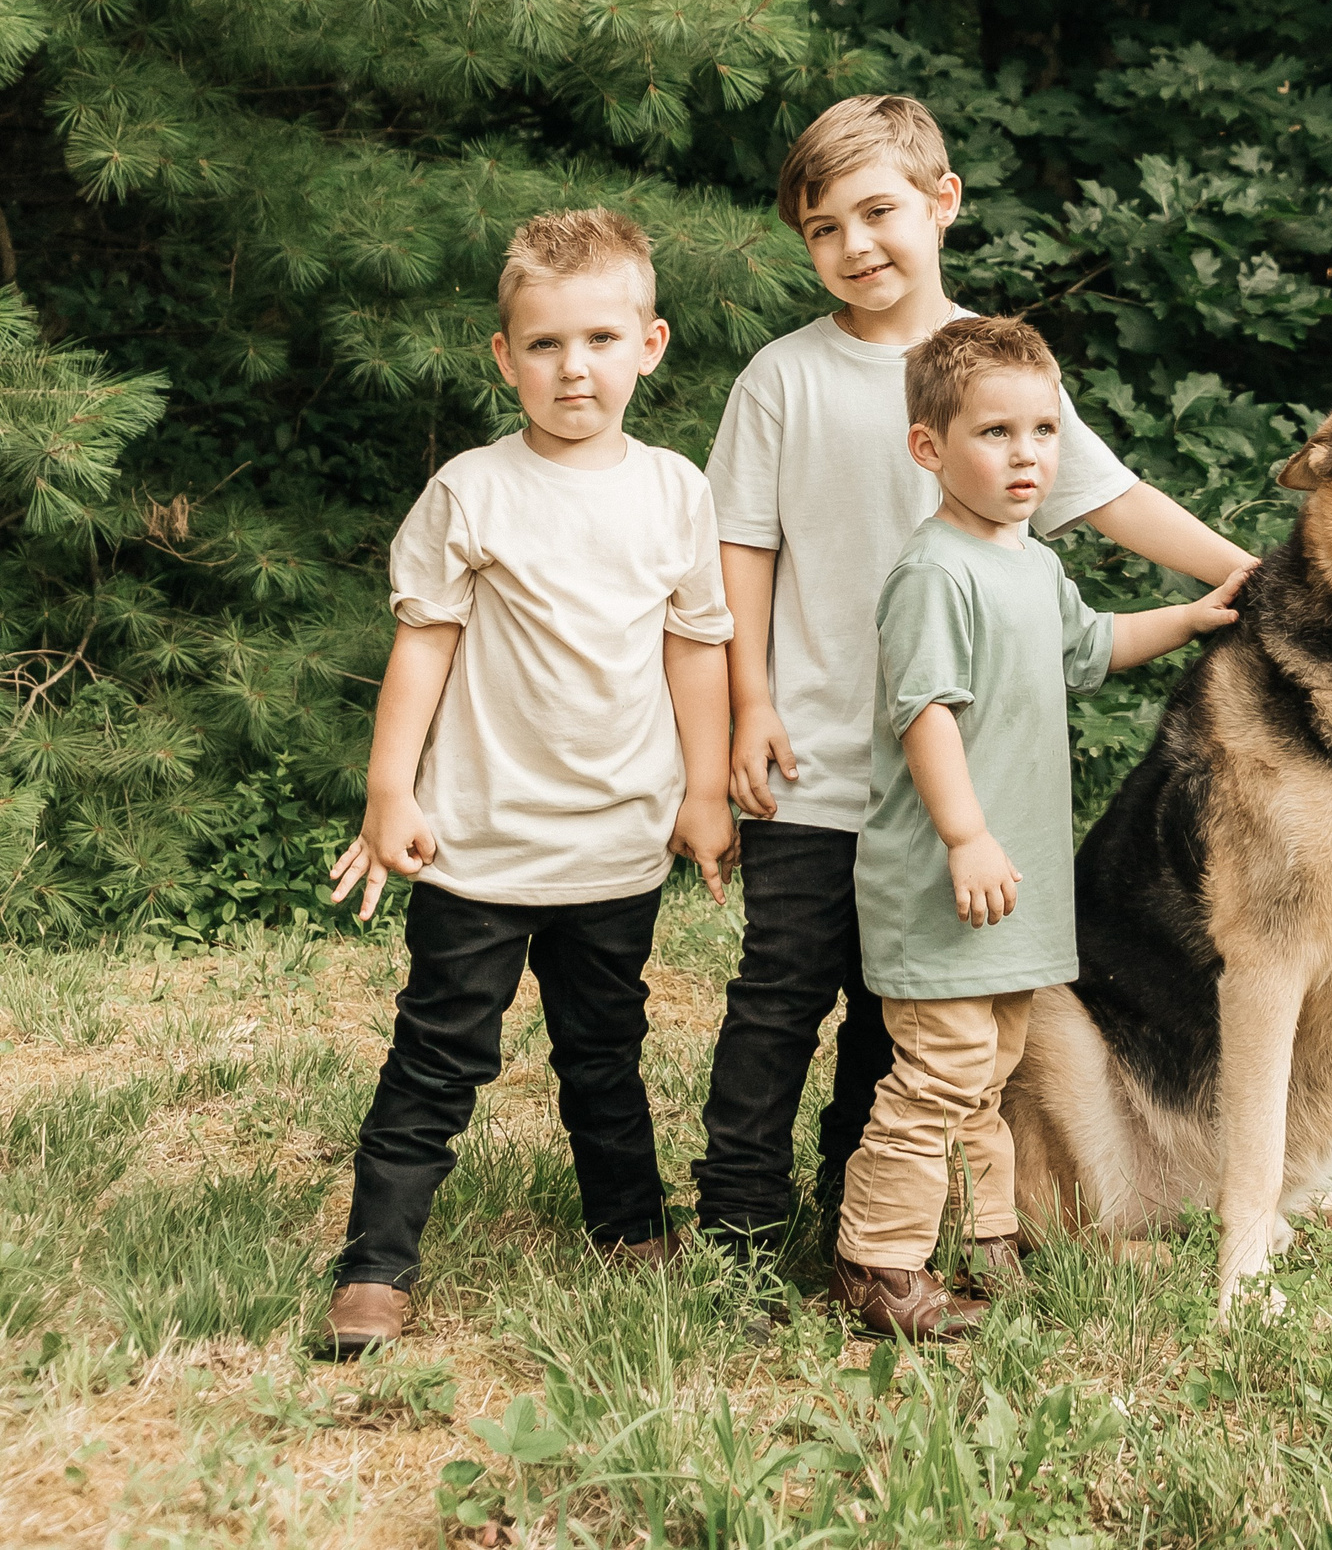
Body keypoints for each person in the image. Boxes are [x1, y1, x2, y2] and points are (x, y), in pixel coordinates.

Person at [693, 95, 1255, 1269]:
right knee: (780, 993)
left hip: (951, 800)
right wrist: (748, 702)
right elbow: (738, 549)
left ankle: (856, 1219)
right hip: (815, 762)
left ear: (944, 202)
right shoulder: (783, 378)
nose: (855, 244)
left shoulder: (999, 377)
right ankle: (738, 1219)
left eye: (879, 211)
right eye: (823, 227)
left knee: (889, 1016)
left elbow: (1108, 495)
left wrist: (1249, 576)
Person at [315, 209, 735, 1358]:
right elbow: (424, 646)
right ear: (505, 357)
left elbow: (695, 646)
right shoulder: (471, 491)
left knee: (605, 1046)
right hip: (482, 843)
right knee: (439, 1051)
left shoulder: (674, 492)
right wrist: (389, 792)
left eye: (601, 338)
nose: (574, 367)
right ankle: (376, 1265)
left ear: (649, 344)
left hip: (616, 840)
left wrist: (706, 790)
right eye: (544, 344)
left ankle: (630, 1227)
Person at [821, 315, 1248, 1339]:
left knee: (991, 1068)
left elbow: (1091, 645)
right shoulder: (936, 573)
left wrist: (1188, 618)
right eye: (996, 433)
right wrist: (965, 835)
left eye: (1044, 432)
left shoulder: (1027, 563)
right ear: (930, 447)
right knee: (938, 1071)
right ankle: (877, 1256)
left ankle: (986, 1234)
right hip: (946, 880)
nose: (1027, 456)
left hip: (1015, 887)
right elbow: (923, 712)